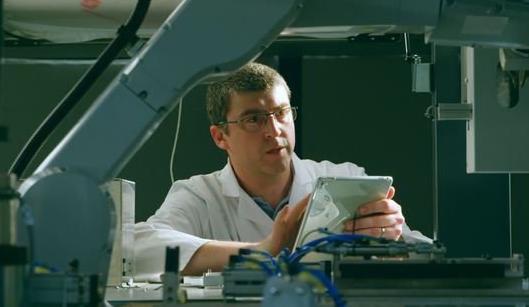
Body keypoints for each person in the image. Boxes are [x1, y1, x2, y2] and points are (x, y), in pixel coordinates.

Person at [134, 62, 430, 281]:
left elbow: (429, 256)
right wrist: (263, 249)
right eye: (254, 119)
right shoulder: (200, 196)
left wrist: (394, 243)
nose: (274, 130)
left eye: (281, 113)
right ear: (220, 137)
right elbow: (136, 248)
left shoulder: (345, 181)